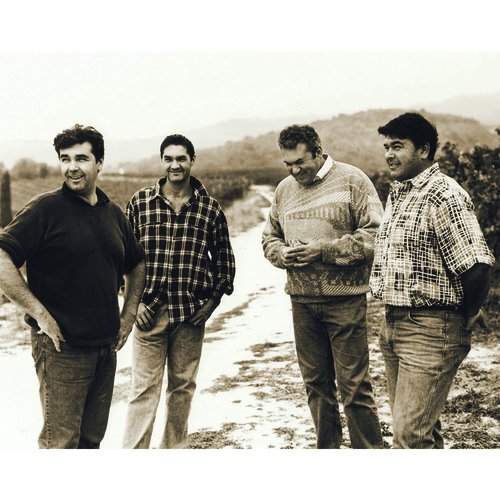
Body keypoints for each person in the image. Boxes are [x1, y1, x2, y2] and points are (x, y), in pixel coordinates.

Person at [0, 124, 146, 449]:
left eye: (81, 158)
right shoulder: (45, 209)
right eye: (65, 159)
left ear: (100, 162)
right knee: (61, 445)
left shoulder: (113, 214)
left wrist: (129, 315)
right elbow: (2, 256)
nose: (71, 167)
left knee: (90, 442)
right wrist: (39, 314)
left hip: (105, 350)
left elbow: (137, 263)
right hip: (61, 350)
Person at [370, 112, 495, 448]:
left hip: (429, 332)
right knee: (422, 431)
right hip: (393, 325)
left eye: (398, 146)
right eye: (386, 146)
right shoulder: (400, 192)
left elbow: (477, 265)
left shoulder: (443, 194)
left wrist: (469, 313)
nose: (389, 154)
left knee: (409, 437)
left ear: (424, 150)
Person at [262, 124, 384, 449]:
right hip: (302, 303)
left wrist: (323, 250)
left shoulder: (353, 180)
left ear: (318, 152)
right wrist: (281, 254)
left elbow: (375, 237)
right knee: (315, 386)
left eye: (300, 162)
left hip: (345, 302)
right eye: (288, 164)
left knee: (354, 387)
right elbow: (269, 237)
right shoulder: (283, 190)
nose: (294, 170)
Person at [122, 134, 236, 449]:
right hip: (148, 313)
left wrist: (211, 303)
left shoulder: (210, 209)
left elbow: (225, 263)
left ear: (192, 161)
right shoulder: (140, 203)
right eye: (169, 159)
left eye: (181, 158)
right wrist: (133, 305)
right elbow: (120, 258)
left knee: (182, 389)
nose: (175, 165)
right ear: (162, 161)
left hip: (189, 315)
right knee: (143, 391)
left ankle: (173, 453)